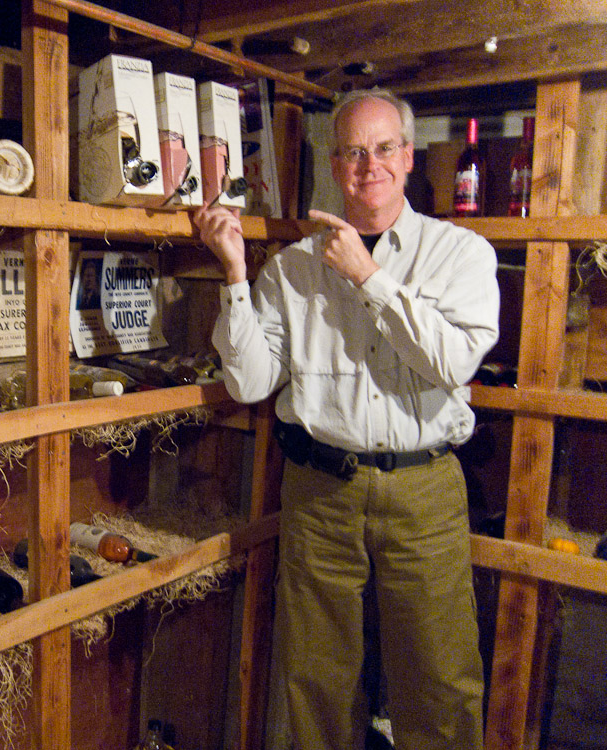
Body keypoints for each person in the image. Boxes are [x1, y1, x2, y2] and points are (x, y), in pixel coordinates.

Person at [193, 88, 499, 750]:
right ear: (335, 164)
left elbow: (452, 362)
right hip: (320, 493)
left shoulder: (460, 253)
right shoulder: (293, 268)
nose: (371, 165)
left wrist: (369, 279)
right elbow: (247, 380)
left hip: (422, 493)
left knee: (439, 680)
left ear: (408, 156)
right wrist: (237, 274)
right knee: (315, 678)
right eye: (355, 151)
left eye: (384, 148)